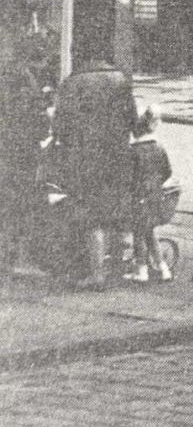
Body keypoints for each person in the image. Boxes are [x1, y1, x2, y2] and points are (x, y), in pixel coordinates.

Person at [51, 58, 137, 290]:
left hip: (85, 160)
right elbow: (133, 122)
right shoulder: (121, 79)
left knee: (91, 217)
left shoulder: (73, 82)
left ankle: (96, 274)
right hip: (117, 157)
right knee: (115, 212)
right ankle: (117, 266)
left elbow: (60, 126)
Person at [0, 28, 51, 278]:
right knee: (19, 203)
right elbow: (32, 120)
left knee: (8, 203)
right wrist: (44, 115)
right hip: (20, 151)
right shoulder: (25, 81)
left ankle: (9, 257)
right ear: (36, 58)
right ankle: (14, 259)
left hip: (8, 148)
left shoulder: (9, 74)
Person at [128, 108, 173, 283]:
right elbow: (167, 172)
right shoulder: (159, 147)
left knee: (138, 233)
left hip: (138, 197)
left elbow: (128, 176)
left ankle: (142, 269)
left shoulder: (133, 151)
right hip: (155, 195)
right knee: (150, 232)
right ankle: (163, 267)